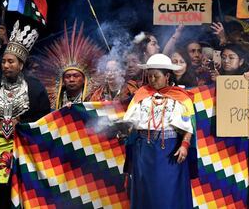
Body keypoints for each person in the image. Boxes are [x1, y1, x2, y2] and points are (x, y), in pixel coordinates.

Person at [0, 21, 51, 209]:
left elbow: (43, 120)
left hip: (23, 150)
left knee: (22, 194)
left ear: (21, 65)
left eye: (10, 61)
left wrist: (21, 123)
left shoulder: (36, 88)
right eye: (4, 61)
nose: (5, 65)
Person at [122, 53, 195, 208]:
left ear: (167, 76)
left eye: (156, 76)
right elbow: (130, 122)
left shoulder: (180, 97)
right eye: (149, 77)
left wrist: (185, 145)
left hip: (170, 150)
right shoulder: (141, 96)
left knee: (169, 194)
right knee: (145, 193)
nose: (152, 80)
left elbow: (189, 125)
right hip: (144, 151)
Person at [36, 21, 104, 109]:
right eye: (68, 76)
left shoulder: (94, 99)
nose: (71, 79)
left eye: (76, 76)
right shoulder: (53, 103)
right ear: (63, 81)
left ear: (84, 79)